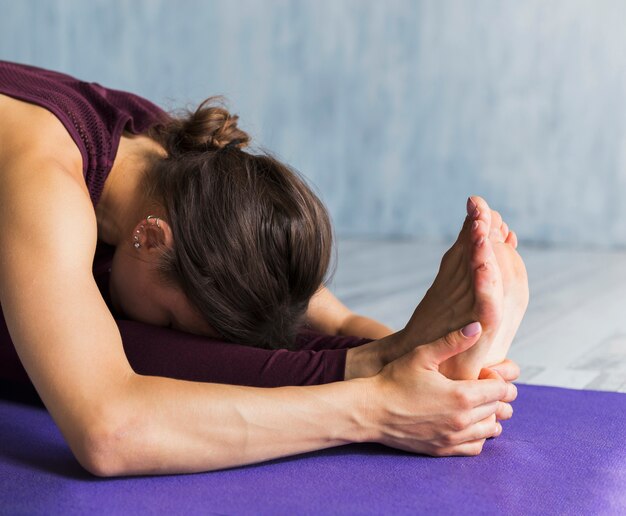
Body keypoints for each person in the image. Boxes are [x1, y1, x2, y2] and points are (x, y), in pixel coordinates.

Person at [0, 60, 528, 476]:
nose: (170, 324)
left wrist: (403, 348)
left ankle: (388, 362)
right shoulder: (46, 184)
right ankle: (377, 374)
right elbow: (106, 430)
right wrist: (378, 409)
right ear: (150, 238)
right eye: (171, 318)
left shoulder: (181, 166)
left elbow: (288, 295)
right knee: (119, 350)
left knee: (238, 324)